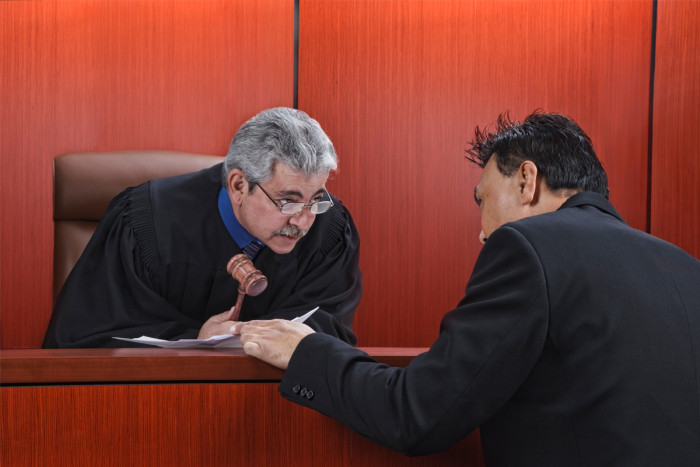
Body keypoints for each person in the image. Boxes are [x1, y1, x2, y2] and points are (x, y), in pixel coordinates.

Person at [237, 111, 700, 466]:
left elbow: (417, 413)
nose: (482, 232)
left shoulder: (529, 245)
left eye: (482, 200)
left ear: (526, 181)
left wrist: (307, 350)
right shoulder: (684, 266)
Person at [43, 107, 362, 348]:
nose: (303, 221)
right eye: (288, 201)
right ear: (238, 186)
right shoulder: (145, 224)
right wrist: (198, 341)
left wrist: (249, 339)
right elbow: (89, 335)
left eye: (316, 200)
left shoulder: (330, 230)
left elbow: (329, 331)